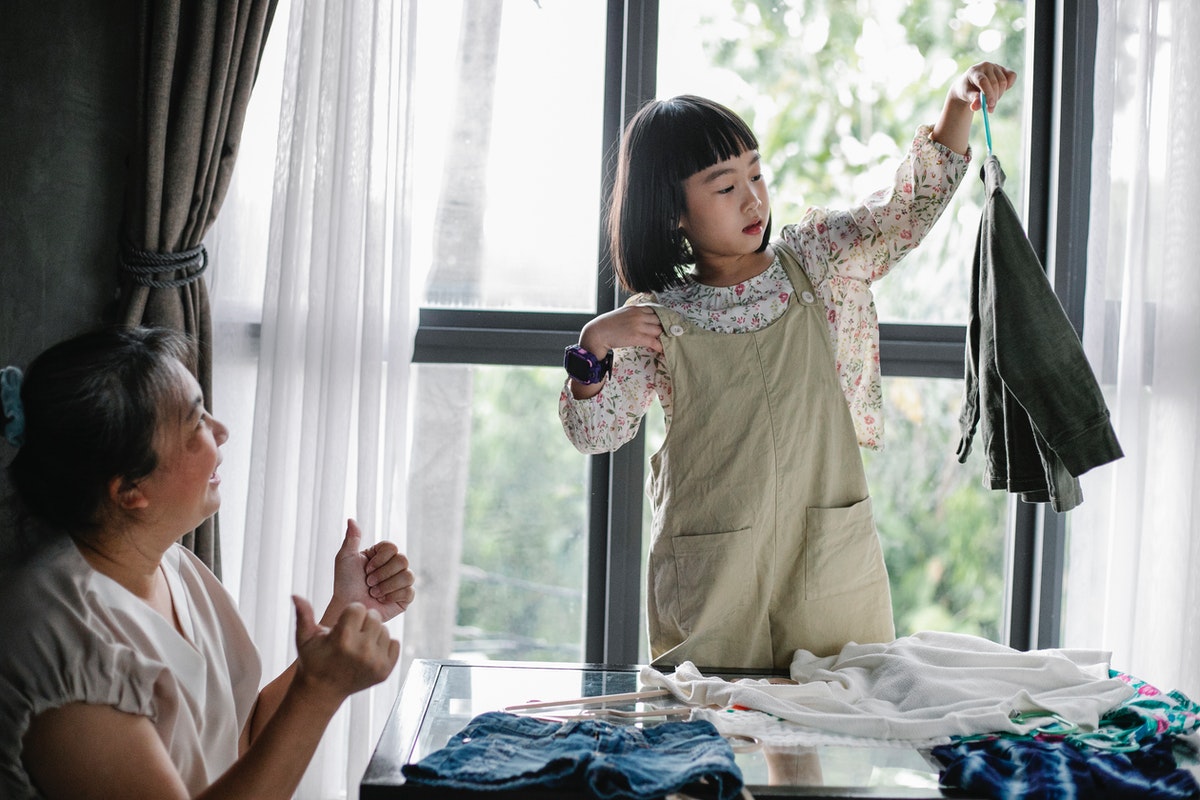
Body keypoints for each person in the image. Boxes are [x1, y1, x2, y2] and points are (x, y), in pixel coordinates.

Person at [560, 62, 1017, 671]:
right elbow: (599, 432)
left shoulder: (816, 260)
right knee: (713, 735)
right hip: (715, 576)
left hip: (822, 553)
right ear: (673, 213)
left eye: (756, 173)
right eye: (725, 187)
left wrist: (957, 108)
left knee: (817, 730)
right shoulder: (657, 319)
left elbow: (903, 216)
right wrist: (592, 348)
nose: (752, 198)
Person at [0, 326, 416, 799]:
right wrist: (320, 692)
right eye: (195, 422)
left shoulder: (176, 569)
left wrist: (346, 614)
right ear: (129, 489)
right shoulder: (61, 640)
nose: (222, 431)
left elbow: (242, 742)